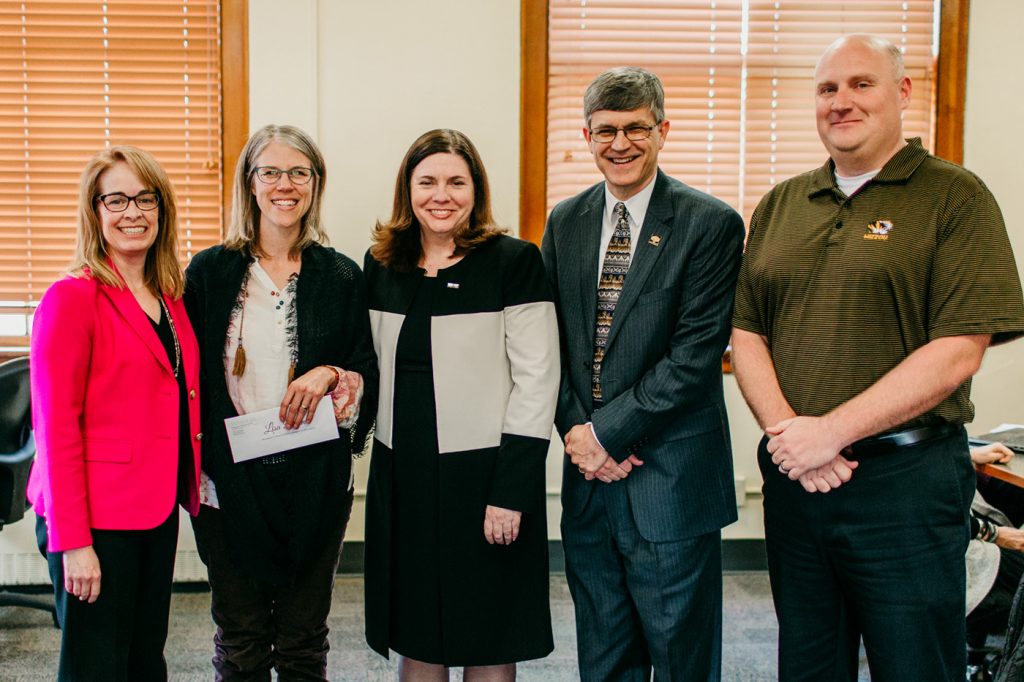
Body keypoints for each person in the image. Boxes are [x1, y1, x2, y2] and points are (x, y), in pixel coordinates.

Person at [730, 34, 1024, 681]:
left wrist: (830, 433)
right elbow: (747, 330)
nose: (842, 102)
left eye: (861, 84)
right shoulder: (783, 203)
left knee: (915, 664)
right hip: (798, 484)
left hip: (906, 485)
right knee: (807, 664)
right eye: (828, 88)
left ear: (903, 92)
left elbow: (958, 349)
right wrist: (791, 436)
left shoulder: (954, 197)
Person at [540, 67, 745, 681]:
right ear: (586, 134)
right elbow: (547, 345)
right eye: (606, 131)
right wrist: (581, 437)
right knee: (604, 657)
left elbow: (694, 358)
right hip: (589, 483)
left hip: (671, 482)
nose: (620, 143)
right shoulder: (566, 221)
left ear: (663, 131)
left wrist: (605, 435)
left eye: (636, 129)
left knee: (682, 658)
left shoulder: (710, 224)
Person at [363, 128, 559, 681]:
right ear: (408, 189)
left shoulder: (512, 262)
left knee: (489, 631)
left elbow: (538, 382)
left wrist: (512, 491)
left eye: (456, 181)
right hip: (404, 476)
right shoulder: (381, 265)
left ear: (476, 190)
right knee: (416, 631)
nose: (440, 195)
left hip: (486, 477)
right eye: (427, 181)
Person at [184, 124, 377, 681]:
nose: (285, 184)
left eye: (300, 172)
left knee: (301, 641)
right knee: (242, 639)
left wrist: (330, 373)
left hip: (314, 482)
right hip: (228, 482)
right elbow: (189, 377)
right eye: (271, 171)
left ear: (316, 184)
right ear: (250, 182)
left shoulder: (339, 274)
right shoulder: (210, 272)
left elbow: (366, 367)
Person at [29, 145, 202, 681]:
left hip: (154, 509)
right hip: (94, 518)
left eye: (145, 198)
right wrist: (74, 542)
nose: (133, 212)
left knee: (144, 659)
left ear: (162, 208)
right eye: (117, 199)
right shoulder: (72, 297)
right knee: (96, 666)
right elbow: (55, 430)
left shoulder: (169, 296)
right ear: (95, 211)